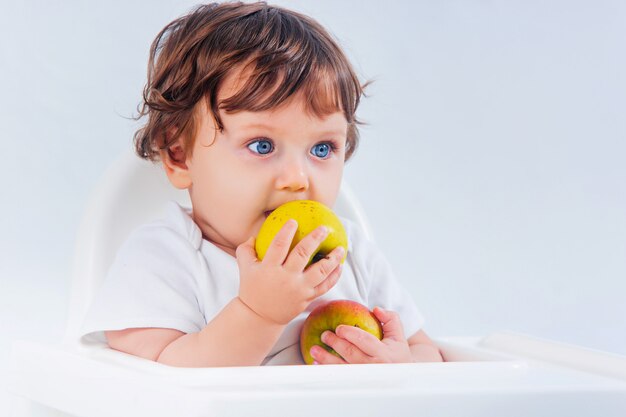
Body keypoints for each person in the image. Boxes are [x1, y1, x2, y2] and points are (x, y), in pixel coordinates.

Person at [81, 1, 443, 367]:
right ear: (179, 155)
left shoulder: (351, 256)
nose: (297, 179)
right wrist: (258, 314)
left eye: (322, 148)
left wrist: (399, 368)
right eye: (262, 146)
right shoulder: (163, 258)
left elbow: (429, 352)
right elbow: (155, 382)